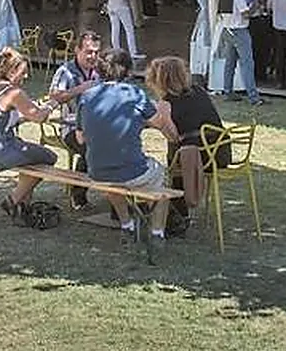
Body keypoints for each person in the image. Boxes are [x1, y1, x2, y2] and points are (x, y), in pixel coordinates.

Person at [78, 48, 178, 246]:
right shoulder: (134, 94)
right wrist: (162, 111)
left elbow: (80, 139)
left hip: (97, 170)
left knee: (114, 184)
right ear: (128, 71)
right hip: (131, 170)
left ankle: (127, 225)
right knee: (163, 178)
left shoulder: (87, 96)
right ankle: (157, 233)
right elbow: (159, 123)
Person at [0, 48, 75, 221]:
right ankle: (14, 200)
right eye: (23, 72)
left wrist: (26, 114)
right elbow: (40, 117)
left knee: (30, 156)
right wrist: (55, 102)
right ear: (11, 71)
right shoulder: (13, 92)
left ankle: (22, 205)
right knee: (48, 157)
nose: (25, 77)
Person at [146, 56, 228, 236]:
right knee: (180, 155)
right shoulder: (198, 91)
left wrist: (160, 120)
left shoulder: (167, 102)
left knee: (175, 160)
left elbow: (173, 137)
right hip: (220, 151)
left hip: (198, 156)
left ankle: (178, 218)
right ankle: (178, 216)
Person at [49, 30, 104, 209]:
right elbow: (55, 96)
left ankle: (119, 197)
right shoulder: (65, 71)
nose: (93, 56)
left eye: (96, 52)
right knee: (92, 148)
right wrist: (80, 89)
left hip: (98, 126)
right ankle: (78, 194)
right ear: (77, 50)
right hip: (70, 127)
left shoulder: (101, 69)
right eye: (89, 51)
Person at [216, 0, 263, 105]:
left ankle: (228, 91)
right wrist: (256, 4)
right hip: (239, 31)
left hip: (227, 29)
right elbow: (245, 14)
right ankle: (253, 97)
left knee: (230, 63)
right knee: (247, 64)